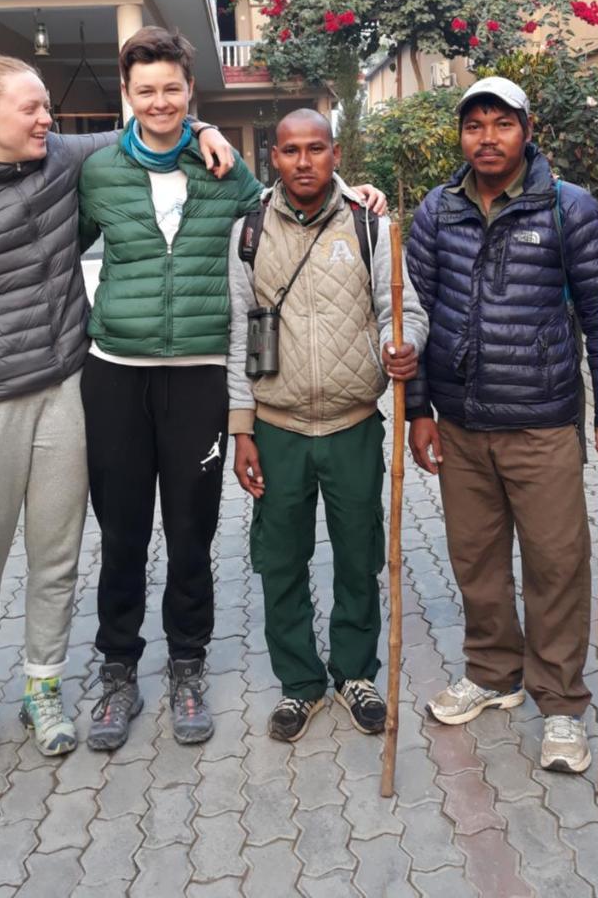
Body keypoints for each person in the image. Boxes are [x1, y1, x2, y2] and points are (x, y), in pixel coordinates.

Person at [0, 55, 231, 775]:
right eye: (33, 109)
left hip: (63, 390)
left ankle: (43, 686)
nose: (48, 120)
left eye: (48, 107)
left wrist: (204, 125)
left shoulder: (60, 160)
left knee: (56, 558)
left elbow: (151, 123)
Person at [78, 35, 387, 751]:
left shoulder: (227, 173)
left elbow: (292, 202)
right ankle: (118, 671)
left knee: (191, 532)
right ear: (128, 94)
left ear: (193, 93)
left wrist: (360, 193)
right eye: (145, 90)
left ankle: (187, 667)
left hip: (197, 378)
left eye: (172, 90)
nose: (159, 102)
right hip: (117, 371)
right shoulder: (95, 170)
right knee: (121, 533)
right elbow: (59, 241)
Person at [406, 76, 598, 775]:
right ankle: (493, 672)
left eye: (500, 123)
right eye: (473, 125)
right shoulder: (437, 212)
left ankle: (562, 705)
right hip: (463, 424)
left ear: (527, 130)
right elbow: (408, 315)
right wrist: (418, 409)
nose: (486, 137)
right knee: (475, 560)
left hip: (541, 423)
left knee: (557, 564)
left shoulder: (569, 210)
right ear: (461, 136)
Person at [226, 109, 428, 742]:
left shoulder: (371, 225)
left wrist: (404, 346)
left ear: (335, 153)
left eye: (316, 148)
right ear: (275, 159)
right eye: (290, 151)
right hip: (279, 426)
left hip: (353, 424)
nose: (304, 161)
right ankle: (299, 684)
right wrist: (241, 429)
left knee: (358, 555)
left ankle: (355, 673)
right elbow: (238, 334)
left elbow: (402, 309)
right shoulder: (248, 232)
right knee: (280, 559)